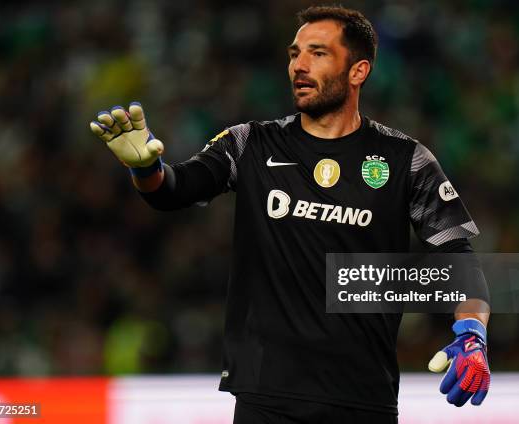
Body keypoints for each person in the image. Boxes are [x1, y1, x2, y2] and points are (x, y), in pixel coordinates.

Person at [90, 5, 490, 423]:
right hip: (267, 395)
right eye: (294, 53)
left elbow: (457, 255)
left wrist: (473, 333)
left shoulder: (406, 160)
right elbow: (173, 191)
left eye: (318, 53)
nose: (299, 65)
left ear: (358, 71)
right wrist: (146, 169)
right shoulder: (250, 144)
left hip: (364, 398)